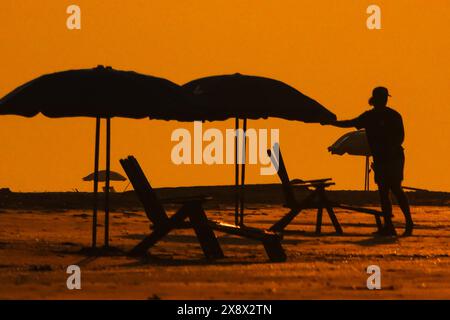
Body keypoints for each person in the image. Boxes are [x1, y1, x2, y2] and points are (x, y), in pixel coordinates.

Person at [325, 87, 414, 236]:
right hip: (381, 159)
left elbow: (400, 138)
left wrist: (389, 150)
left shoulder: (393, 116)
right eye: (383, 97)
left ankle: (408, 223)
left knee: (395, 189)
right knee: (384, 192)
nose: (384, 100)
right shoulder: (370, 116)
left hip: (393, 158)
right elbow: (350, 123)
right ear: (378, 99)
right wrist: (331, 123)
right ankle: (389, 225)